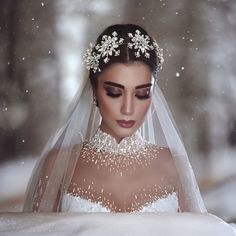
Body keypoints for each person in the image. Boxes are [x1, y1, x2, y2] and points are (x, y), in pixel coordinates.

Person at [23, 24, 207, 213]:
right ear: (94, 90)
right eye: (114, 92)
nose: (128, 109)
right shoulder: (59, 164)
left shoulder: (174, 164)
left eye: (142, 93)